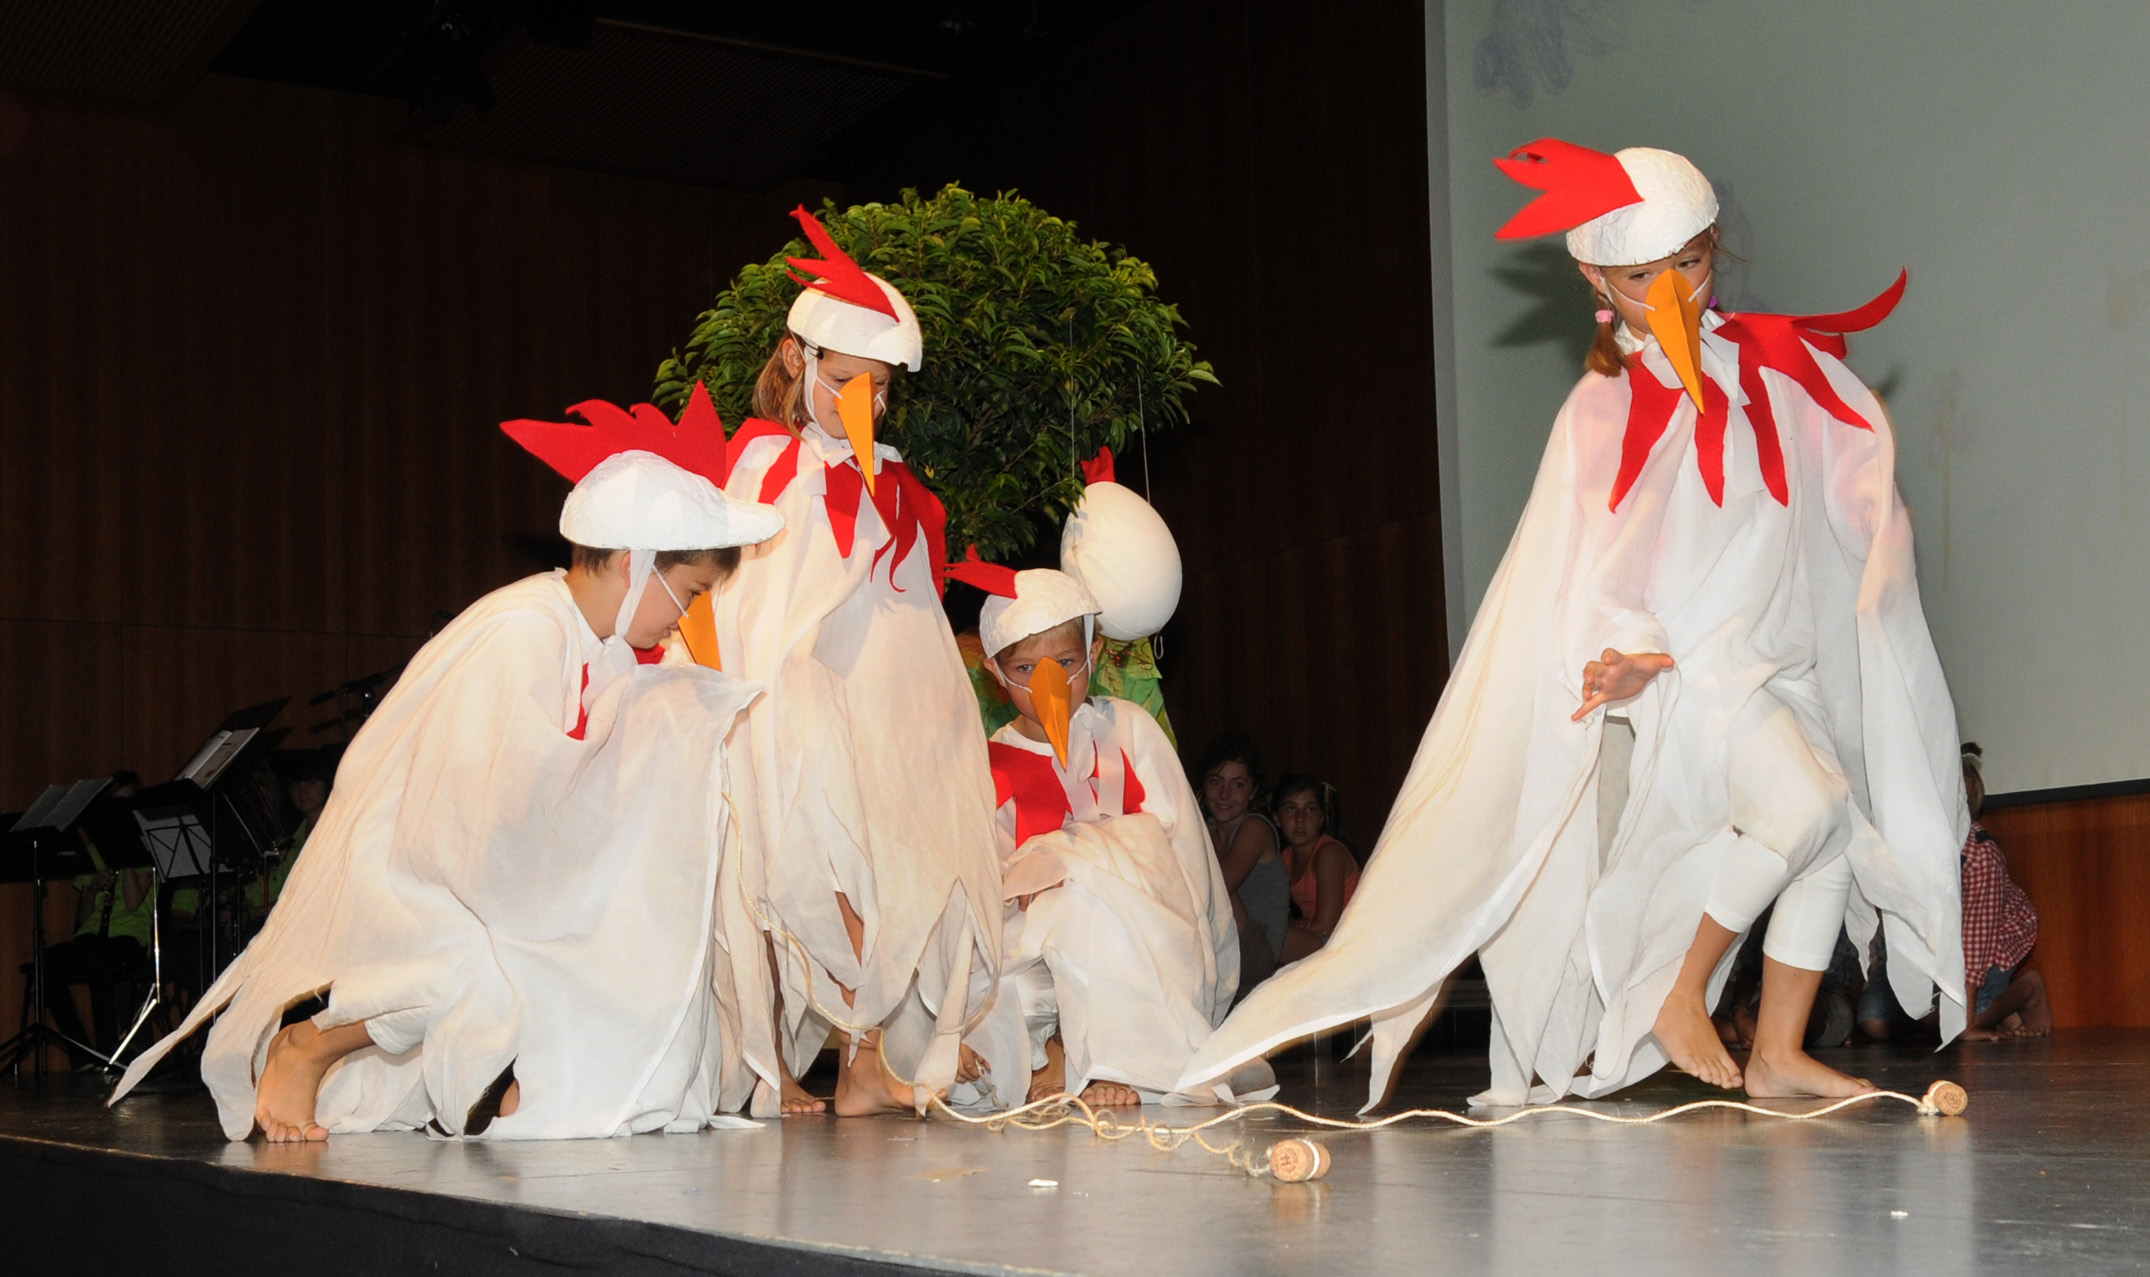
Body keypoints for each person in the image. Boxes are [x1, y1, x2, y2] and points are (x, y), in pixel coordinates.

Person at [1179, 139, 1968, 1108]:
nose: (1672, 290)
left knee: (1833, 826)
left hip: (1775, 655)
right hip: (1686, 670)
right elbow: (1591, 558)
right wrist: (1631, 651)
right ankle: (1678, 994)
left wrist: (1866, 514)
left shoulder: (1762, 361)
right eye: (1642, 277)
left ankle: (1773, 1051)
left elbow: (1813, 494)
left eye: (1691, 262)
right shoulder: (1602, 404)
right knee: (1802, 809)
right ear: (1596, 279)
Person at [109, 417, 786, 1142]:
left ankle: (494, 1080)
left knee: (610, 972)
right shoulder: (523, 629)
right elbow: (480, 811)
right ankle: (307, 1045)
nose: (688, 615)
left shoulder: (597, 643)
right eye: (690, 592)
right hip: (420, 871)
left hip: (487, 864)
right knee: (489, 964)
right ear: (634, 563)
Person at [705, 206, 1002, 1117]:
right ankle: (771, 1062)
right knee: (781, 869)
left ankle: (864, 1059)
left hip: (873, 704)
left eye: (878, 388)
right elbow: (747, 593)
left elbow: (905, 605)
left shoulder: (892, 477)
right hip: (787, 699)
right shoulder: (766, 462)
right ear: (796, 359)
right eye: (843, 380)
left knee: (882, 872)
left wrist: (930, 723)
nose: (860, 402)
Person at [952, 561, 1260, 1109]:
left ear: (1092, 655)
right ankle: (1049, 1050)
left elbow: (1179, 846)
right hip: (1034, 945)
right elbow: (983, 873)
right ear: (996, 672)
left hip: (1140, 930)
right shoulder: (992, 763)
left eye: (1066, 663)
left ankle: (1104, 1059)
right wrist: (1032, 878)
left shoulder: (1128, 729)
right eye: (1025, 668)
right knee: (1029, 959)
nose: (1049, 683)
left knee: (1094, 898)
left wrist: (1078, 863)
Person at [1860, 743, 2049, 1042]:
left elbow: (1975, 942)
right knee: (1876, 1024)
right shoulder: (1900, 846)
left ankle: (2027, 991)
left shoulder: (1979, 854)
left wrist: (1967, 1025)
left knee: (1954, 1026)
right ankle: (1984, 1011)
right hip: (1929, 949)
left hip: (1988, 942)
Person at [40, 771, 150, 1067]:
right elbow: (82, 917)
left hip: (130, 936)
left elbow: (133, 903)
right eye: (117, 802)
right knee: (46, 964)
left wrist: (125, 857)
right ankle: (81, 1053)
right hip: (92, 936)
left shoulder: (147, 847)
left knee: (98, 958)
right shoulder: (91, 851)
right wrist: (92, 888)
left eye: (129, 801)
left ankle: (106, 1050)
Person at [1196, 732, 1289, 996]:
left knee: (1209, 877)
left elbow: (1217, 886)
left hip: (1254, 953)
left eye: (1237, 785)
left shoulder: (1255, 828)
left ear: (1253, 791)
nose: (1225, 794)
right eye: (1216, 782)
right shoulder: (1205, 829)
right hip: (1219, 945)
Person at [1272, 776, 1359, 965]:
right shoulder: (1285, 857)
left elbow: (1326, 925)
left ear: (1321, 818)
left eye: (1310, 809)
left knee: (1274, 938)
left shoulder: (1329, 853)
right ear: (1277, 818)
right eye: (1291, 809)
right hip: (1319, 937)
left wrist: (1281, 925)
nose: (1300, 818)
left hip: (1347, 941)